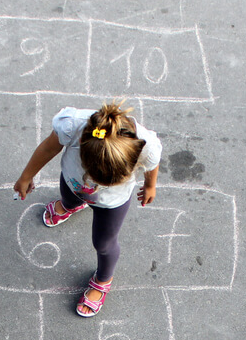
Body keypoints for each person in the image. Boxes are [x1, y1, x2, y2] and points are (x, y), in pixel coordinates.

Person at [13, 102, 162, 316]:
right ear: (82, 143)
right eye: (93, 175)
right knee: (69, 196)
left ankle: (103, 278)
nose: (97, 182)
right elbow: (49, 147)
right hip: (74, 183)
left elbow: (153, 162)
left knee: (104, 243)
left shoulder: (143, 143)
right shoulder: (72, 126)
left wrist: (150, 185)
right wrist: (26, 176)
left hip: (112, 203)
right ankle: (70, 205)